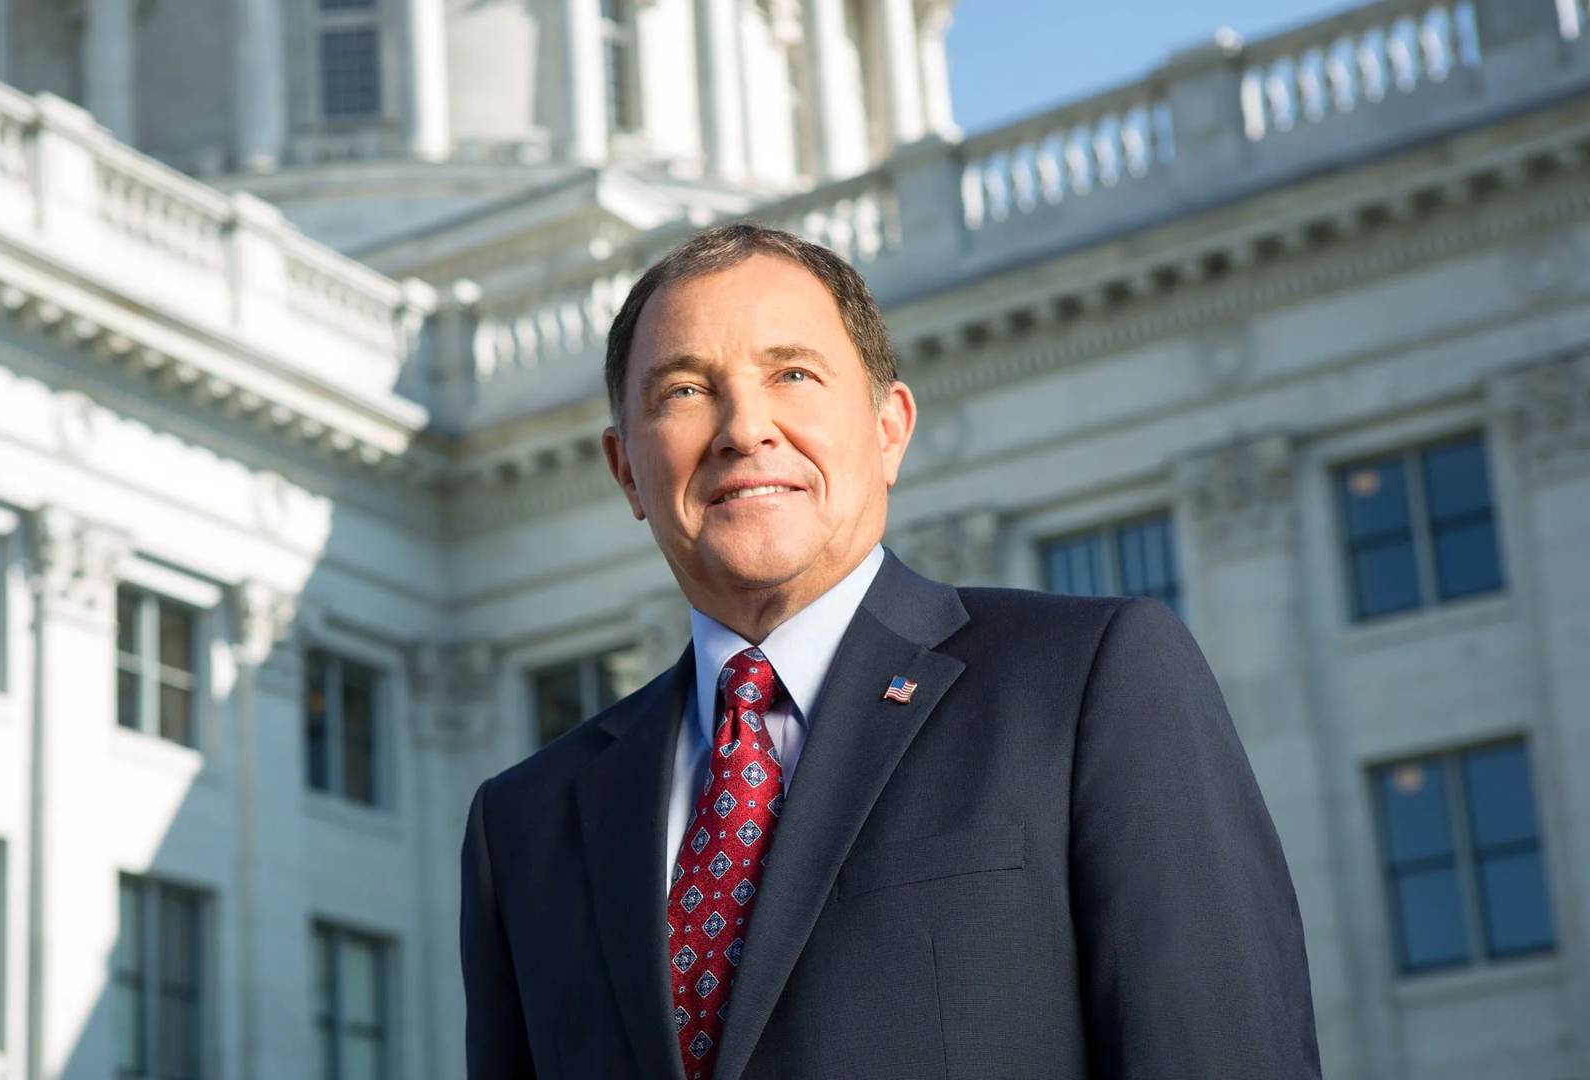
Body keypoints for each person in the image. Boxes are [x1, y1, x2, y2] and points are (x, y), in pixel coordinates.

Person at [459, 223, 1321, 1080]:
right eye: (685, 391)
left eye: (793, 374)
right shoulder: (526, 825)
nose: (743, 428)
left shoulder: (1088, 681)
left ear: (889, 429)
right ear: (624, 471)